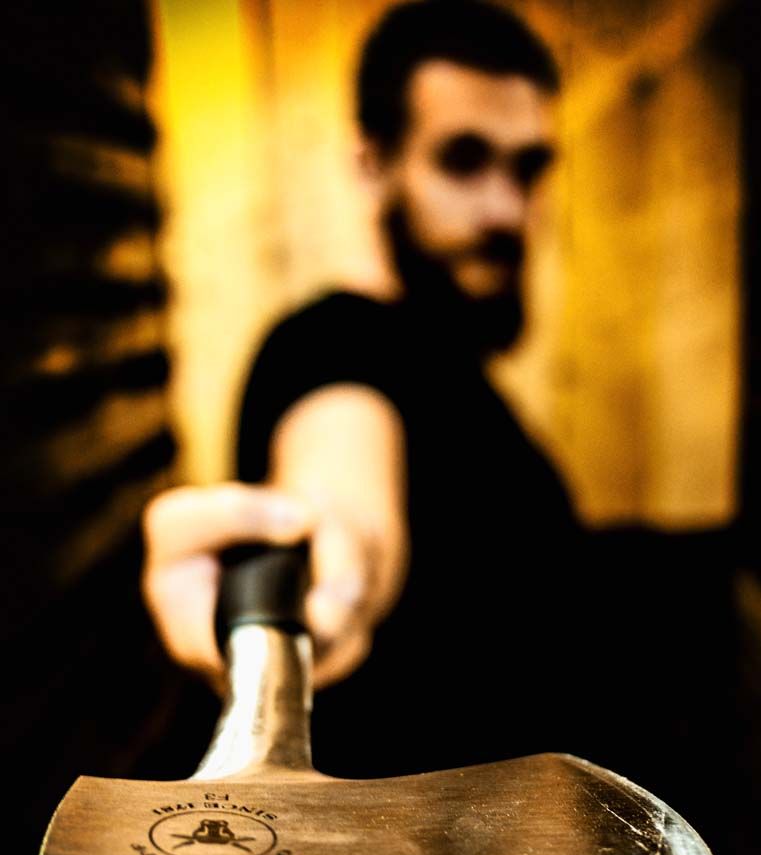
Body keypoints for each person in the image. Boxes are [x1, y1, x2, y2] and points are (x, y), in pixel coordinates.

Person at [144, 0, 591, 781]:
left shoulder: (445, 356)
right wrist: (326, 574)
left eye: (527, 169)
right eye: (462, 161)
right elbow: (340, 498)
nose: (505, 210)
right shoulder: (329, 346)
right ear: (372, 163)